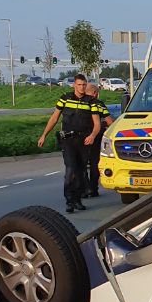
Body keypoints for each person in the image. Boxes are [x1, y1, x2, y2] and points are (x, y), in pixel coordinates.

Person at [37, 74, 101, 213]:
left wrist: (92, 135)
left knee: (81, 171)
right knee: (71, 169)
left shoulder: (91, 102)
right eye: (79, 85)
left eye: (84, 85)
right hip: (68, 140)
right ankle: (69, 201)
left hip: (84, 141)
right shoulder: (65, 99)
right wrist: (44, 135)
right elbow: (54, 118)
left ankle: (78, 199)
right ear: (74, 85)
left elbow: (97, 124)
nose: (82, 87)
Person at [83, 82, 114, 198]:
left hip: (81, 137)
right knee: (95, 163)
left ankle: (85, 188)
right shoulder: (98, 104)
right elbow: (110, 122)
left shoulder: (80, 103)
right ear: (95, 93)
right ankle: (93, 188)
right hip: (96, 138)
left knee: (82, 164)